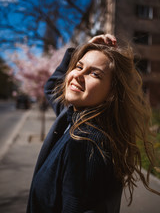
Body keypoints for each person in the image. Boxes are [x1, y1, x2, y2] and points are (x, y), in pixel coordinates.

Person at [27, 34, 159, 213]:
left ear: (112, 92)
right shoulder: (74, 115)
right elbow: (53, 87)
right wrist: (83, 48)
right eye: (79, 66)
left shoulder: (85, 142)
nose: (78, 75)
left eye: (94, 73)